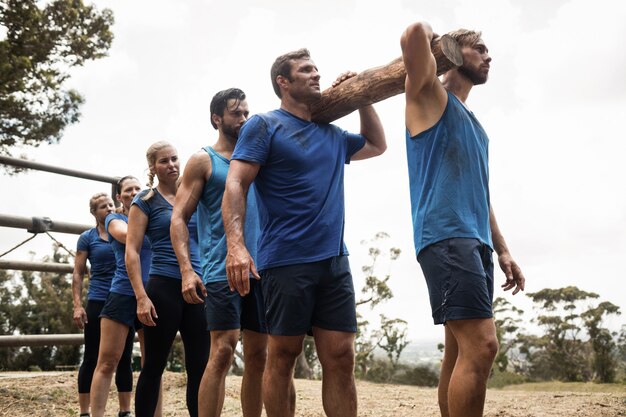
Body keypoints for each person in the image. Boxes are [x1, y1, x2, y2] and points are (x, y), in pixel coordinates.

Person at [222, 49, 386, 417]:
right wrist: (236, 245)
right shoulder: (264, 125)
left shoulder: (332, 133)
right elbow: (235, 183)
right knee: (282, 356)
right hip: (285, 260)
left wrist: (361, 96)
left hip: (334, 259)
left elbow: (376, 145)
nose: (316, 75)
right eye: (306, 70)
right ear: (283, 81)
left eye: (317, 69)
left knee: (342, 356)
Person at [400, 22, 526, 417]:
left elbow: (481, 195)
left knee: (457, 352)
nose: (489, 57)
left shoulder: (476, 126)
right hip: (446, 236)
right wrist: (442, 42)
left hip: (475, 241)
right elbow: (412, 33)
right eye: (481, 49)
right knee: (483, 346)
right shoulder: (428, 97)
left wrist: (503, 250)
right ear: (455, 53)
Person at [170, 88, 267, 417]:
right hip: (219, 268)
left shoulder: (256, 159)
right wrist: (187, 270)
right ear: (217, 118)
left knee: (258, 356)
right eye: (236, 113)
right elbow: (178, 219)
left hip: (262, 267)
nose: (243, 119)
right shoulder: (203, 160)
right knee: (223, 350)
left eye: (246, 112)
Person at [126, 141, 210, 417]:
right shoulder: (145, 201)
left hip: (198, 288)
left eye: (175, 159)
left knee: (199, 365)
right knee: (154, 365)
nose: (172, 164)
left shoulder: (194, 197)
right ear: (153, 167)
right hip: (163, 287)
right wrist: (141, 296)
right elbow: (132, 251)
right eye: (164, 161)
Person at [89, 176, 160, 417]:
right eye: (128, 190)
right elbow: (125, 235)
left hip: (153, 293)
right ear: (119, 197)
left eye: (138, 188)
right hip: (122, 292)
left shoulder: (154, 215)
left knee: (153, 365)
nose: (133, 192)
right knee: (108, 361)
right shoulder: (114, 218)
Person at [72, 192, 134, 417]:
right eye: (102, 207)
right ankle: (85, 411)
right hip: (98, 299)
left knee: (125, 356)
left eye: (110, 204)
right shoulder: (87, 238)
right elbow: (78, 273)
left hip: (123, 297)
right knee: (92, 356)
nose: (108, 209)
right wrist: (78, 305)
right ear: (93, 212)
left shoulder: (125, 229)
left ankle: (125, 410)